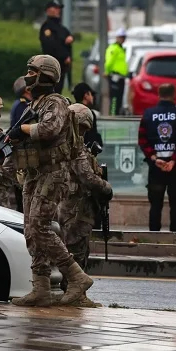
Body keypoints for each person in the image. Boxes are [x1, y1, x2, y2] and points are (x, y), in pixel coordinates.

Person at [3, 54, 93, 307]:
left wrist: (21, 130)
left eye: (32, 72)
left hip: (53, 173)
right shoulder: (37, 103)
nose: (28, 76)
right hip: (35, 173)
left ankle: (76, 277)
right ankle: (40, 287)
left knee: (41, 226)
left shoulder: (55, 103)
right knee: (32, 231)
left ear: (46, 75)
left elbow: (47, 130)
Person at [58, 103, 112, 307]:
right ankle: (75, 294)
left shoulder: (65, 145)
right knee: (77, 251)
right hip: (77, 208)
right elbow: (87, 177)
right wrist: (106, 187)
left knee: (74, 249)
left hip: (70, 206)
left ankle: (70, 291)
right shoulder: (75, 148)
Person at [138, 83, 176, 232]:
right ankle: (175, 236)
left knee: (155, 205)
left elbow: (142, 140)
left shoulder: (148, 114)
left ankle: (154, 236)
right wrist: (174, 160)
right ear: (174, 95)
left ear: (159, 95)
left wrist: (154, 158)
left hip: (156, 168)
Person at [39, 0, 73, 94]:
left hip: (61, 67)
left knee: (58, 91)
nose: (58, 10)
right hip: (52, 65)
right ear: (48, 10)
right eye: (55, 8)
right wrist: (65, 56)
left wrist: (70, 38)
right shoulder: (47, 28)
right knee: (52, 91)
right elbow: (51, 46)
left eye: (59, 8)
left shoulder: (61, 28)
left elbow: (67, 36)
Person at [105, 28, 128, 116]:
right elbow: (109, 61)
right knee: (114, 98)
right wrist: (107, 72)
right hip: (115, 76)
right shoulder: (114, 48)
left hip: (121, 77)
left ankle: (116, 115)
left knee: (119, 98)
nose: (122, 39)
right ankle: (113, 116)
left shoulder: (121, 48)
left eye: (124, 37)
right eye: (121, 37)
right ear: (117, 37)